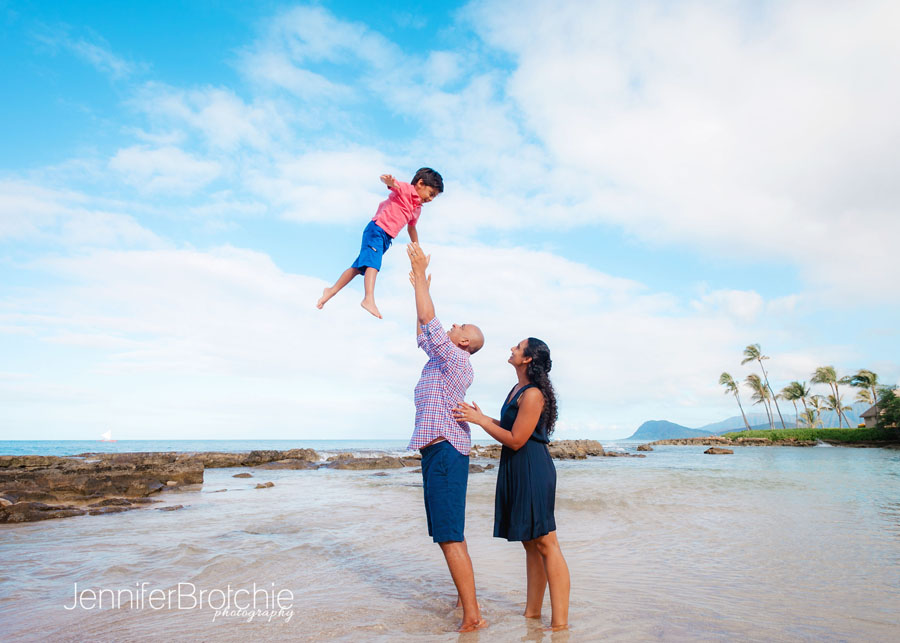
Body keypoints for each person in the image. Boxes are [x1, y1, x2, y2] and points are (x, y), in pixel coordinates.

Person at [453, 338, 570, 631]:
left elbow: (517, 440)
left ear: (528, 359)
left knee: (547, 543)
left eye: (518, 348)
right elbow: (509, 429)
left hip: (533, 468)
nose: (512, 350)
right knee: (530, 543)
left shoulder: (533, 395)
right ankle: (532, 615)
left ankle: (560, 625)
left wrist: (480, 421)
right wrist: (481, 417)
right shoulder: (517, 390)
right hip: (518, 468)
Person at [406, 241, 487, 633]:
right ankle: (464, 601)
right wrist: (417, 285)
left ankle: (473, 617)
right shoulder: (442, 357)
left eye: (462, 327)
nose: (454, 326)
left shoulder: (456, 360)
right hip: (439, 453)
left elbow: (430, 319)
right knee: (450, 532)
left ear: (465, 343)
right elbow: (424, 328)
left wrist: (422, 277)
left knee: (449, 536)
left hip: (445, 453)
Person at [316, 168, 444, 319]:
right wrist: (387, 180)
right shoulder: (405, 189)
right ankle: (368, 298)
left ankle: (330, 291)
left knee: (358, 267)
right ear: (421, 183)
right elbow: (390, 183)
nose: (430, 199)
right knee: (373, 264)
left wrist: (417, 247)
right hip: (377, 229)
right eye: (431, 194)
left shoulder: (417, 209)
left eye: (434, 197)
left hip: (386, 238)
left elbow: (411, 227)